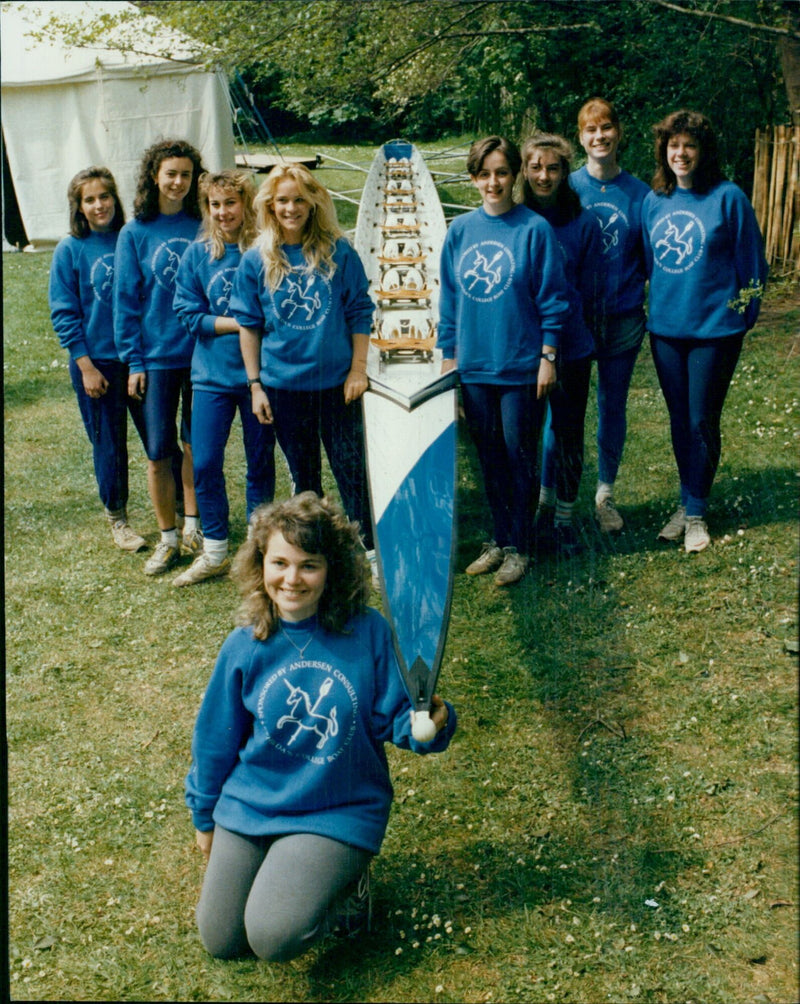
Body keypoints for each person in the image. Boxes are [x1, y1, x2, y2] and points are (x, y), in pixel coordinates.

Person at [185, 491, 456, 960]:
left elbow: (398, 719)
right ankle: (281, 868)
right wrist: (205, 816)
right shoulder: (244, 645)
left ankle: (347, 892)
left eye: (309, 564)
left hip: (337, 809)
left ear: (333, 570)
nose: (292, 579)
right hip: (252, 804)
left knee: (271, 937)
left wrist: (432, 721)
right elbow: (215, 741)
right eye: (279, 563)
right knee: (222, 939)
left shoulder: (367, 632)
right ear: (260, 563)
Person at [231, 164, 377, 573]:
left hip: (336, 384)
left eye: (299, 199)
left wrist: (358, 370)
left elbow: (360, 311)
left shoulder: (338, 250)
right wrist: (256, 385)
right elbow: (249, 326)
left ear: (313, 202)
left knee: (352, 471)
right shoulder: (256, 258)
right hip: (283, 387)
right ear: (269, 205)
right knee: (304, 477)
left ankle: (366, 550)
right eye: (282, 200)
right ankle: (312, 554)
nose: (291, 208)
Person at [438, 136, 569, 585]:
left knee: (519, 456)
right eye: (484, 173)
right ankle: (499, 538)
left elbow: (554, 299)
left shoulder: (534, 230)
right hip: (475, 367)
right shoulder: (459, 232)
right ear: (473, 178)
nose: (493, 182)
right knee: (489, 457)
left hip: (520, 367)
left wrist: (547, 355)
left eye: (501, 172)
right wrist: (448, 360)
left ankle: (522, 546)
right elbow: (450, 302)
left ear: (514, 176)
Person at [642, 109, 768, 553]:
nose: (681, 153)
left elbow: (753, 267)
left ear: (703, 151)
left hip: (715, 333)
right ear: (664, 151)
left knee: (700, 420)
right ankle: (686, 498)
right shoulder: (654, 201)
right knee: (679, 422)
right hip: (666, 333)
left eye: (689, 146)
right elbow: (648, 260)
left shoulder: (728, 197)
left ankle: (695, 515)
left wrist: (737, 319)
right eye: (674, 146)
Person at [172, 170, 276, 587]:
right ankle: (214, 546)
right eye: (215, 205)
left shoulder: (266, 251)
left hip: (260, 376)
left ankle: (259, 543)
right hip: (211, 376)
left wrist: (252, 327)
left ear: (246, 204)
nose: (222, 212)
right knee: (206, 460)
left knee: (259, 461)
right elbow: (187, 312)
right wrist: (238, 323)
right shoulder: (198, 254)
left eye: (230, 203)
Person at [113, 139, 206, 575]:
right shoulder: (135, 232)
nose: (178, 182)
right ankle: (166, 537)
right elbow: (126, 300)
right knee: (157, 451)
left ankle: (193, 526)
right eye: (171, 173)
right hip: (156, 357)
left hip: (203, 353)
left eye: (186, 174)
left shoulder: (204, 223)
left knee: (194, 443)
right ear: (155, 176)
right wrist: (134, 360)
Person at [48, 167, 146, 552]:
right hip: (96, 364)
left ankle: (179, 507)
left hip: (136, 357)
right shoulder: (70, 249)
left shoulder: (129, 238)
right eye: (89, 199)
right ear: (79, 206)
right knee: (109, 443)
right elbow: (64, 311)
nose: (99, 205)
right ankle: (118, 518)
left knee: (159, 439)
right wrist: (85, 366)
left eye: (104, 196)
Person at [570, 97, 650, 533]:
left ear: (618, 132)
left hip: (622, 318)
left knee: (611, 405)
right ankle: (553, 495)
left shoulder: (641, 194)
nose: (599, 137)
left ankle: (605, 493)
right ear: (580, 138)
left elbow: (652, 257)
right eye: (590, 130)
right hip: (575, 322)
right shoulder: (567, 188)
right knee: (563, 410)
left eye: (606, 128)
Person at [521, 133, 603, 557]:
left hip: (569, 348)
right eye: (536, 167)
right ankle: (537, 508)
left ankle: (566, 518)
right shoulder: (514, 218)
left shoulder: (584, 222)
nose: (544, 176)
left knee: (569, 433)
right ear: (524, 170)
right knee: (528, 437)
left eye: (553, 168)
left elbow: (590, 290)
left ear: (565, 171)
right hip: (521, 351)